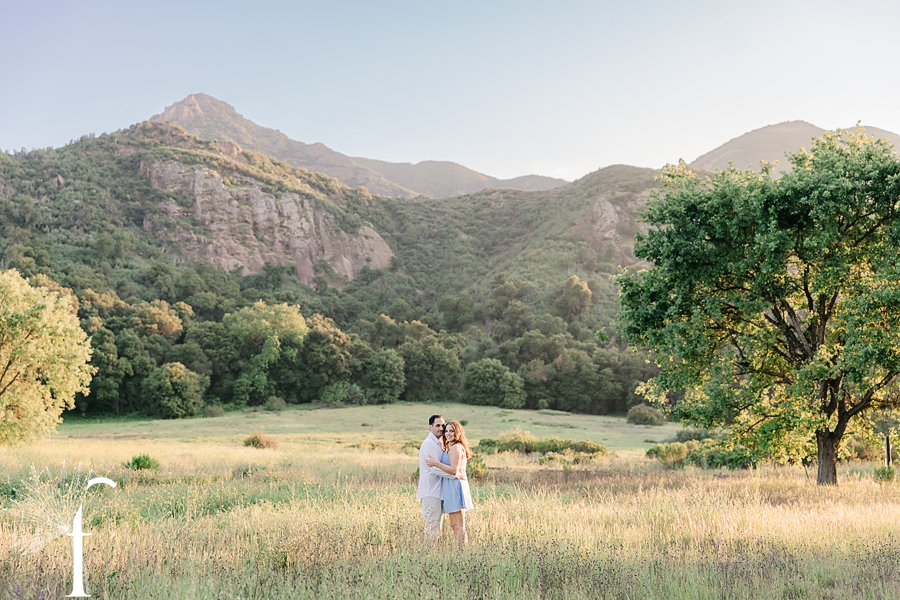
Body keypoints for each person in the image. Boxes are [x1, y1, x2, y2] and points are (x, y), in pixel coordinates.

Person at [426, 419, 474, 547]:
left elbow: (454, 470)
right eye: (446, 431)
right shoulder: (452, 447)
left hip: (454, 488)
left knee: (458, 525)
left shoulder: (456, 448)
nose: (448, 434)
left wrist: (436, 463)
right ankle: (461, 550)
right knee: (455, 524)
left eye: (451, 431)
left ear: (457, 432)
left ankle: (463, 553)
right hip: (451, 487)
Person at [418, 414, 454, 546]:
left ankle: (431, 555)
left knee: (435, 527)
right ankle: (428, 557)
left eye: (442, 425)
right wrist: (454, 475)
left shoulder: (439, 443)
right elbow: (433, 468)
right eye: (437, 425)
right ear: (430, 427)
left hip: (437, 492)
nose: (441, 428)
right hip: (430, 492)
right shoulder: (429, 443)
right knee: (432, 526)